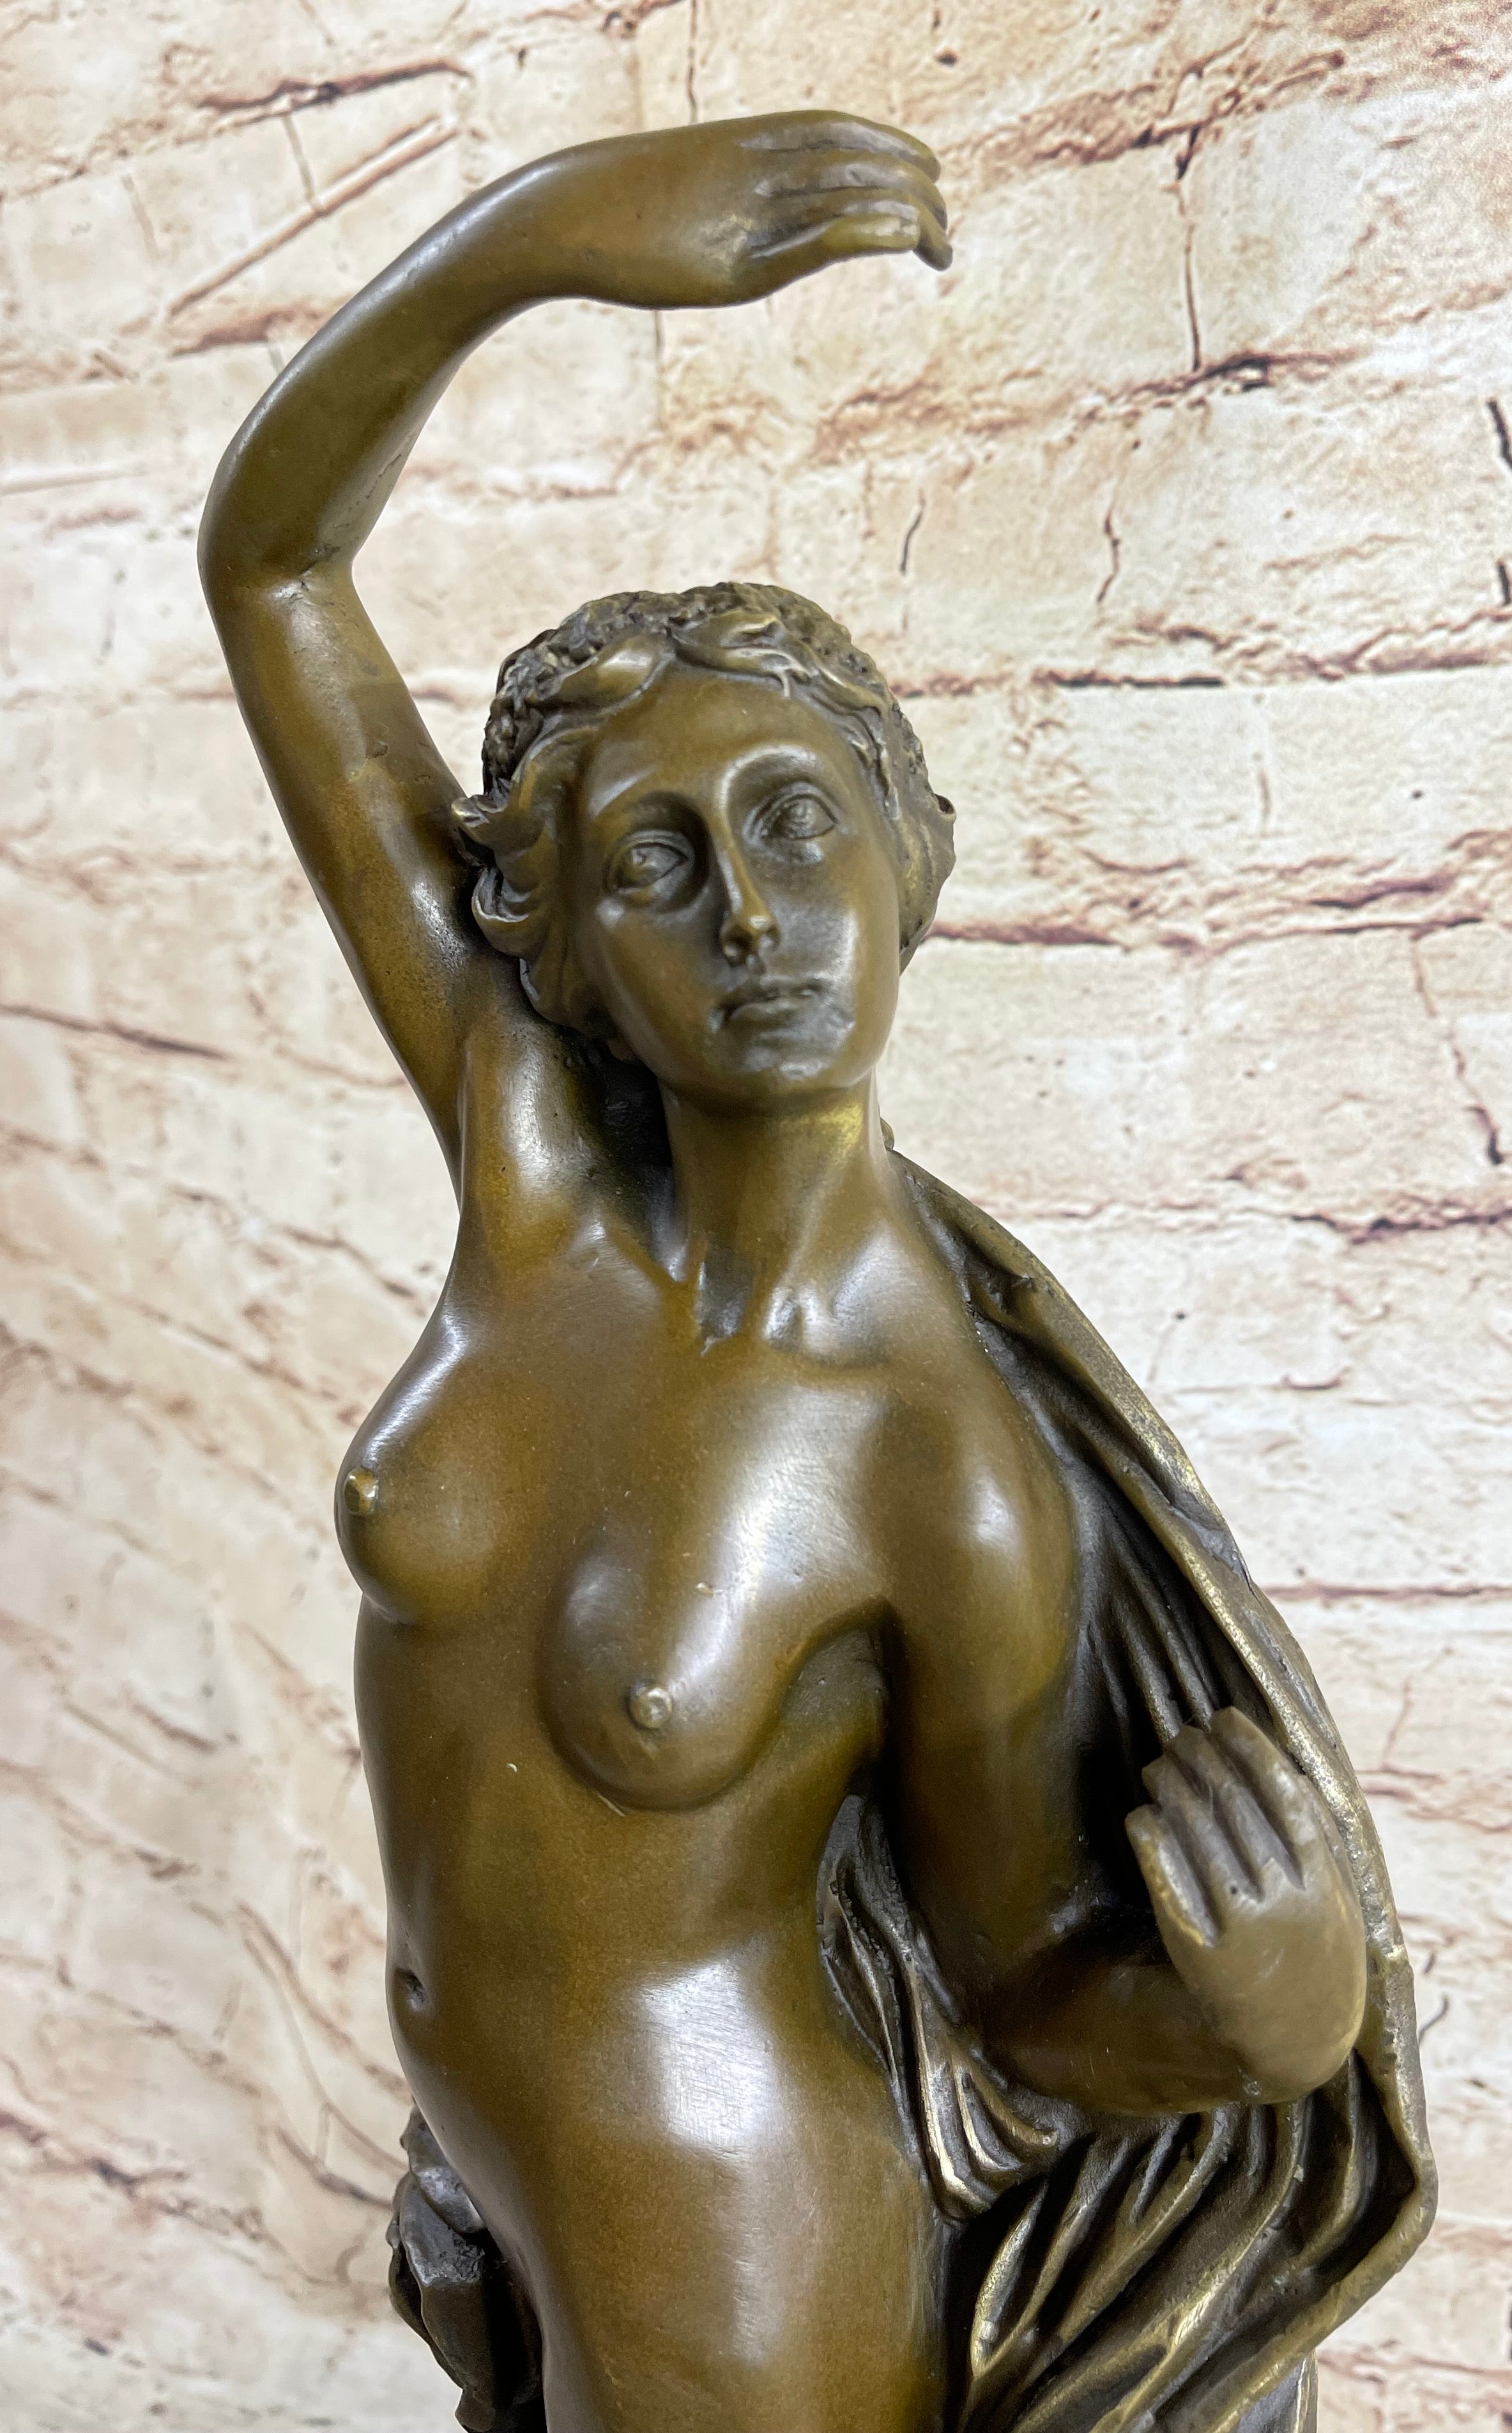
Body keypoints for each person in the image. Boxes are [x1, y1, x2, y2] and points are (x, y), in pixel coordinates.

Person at [199, 111, 1432, 2433]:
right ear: (558, 947)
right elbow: (270, 567)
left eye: (797, 822)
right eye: (658, 864)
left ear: (912, 856)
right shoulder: (531, 1188)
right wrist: (527, 248)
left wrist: (1249, 2026)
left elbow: (1019, 1989)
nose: (752, 916)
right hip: (485, 2191)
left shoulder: (937, 1460)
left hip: (736, 2249)